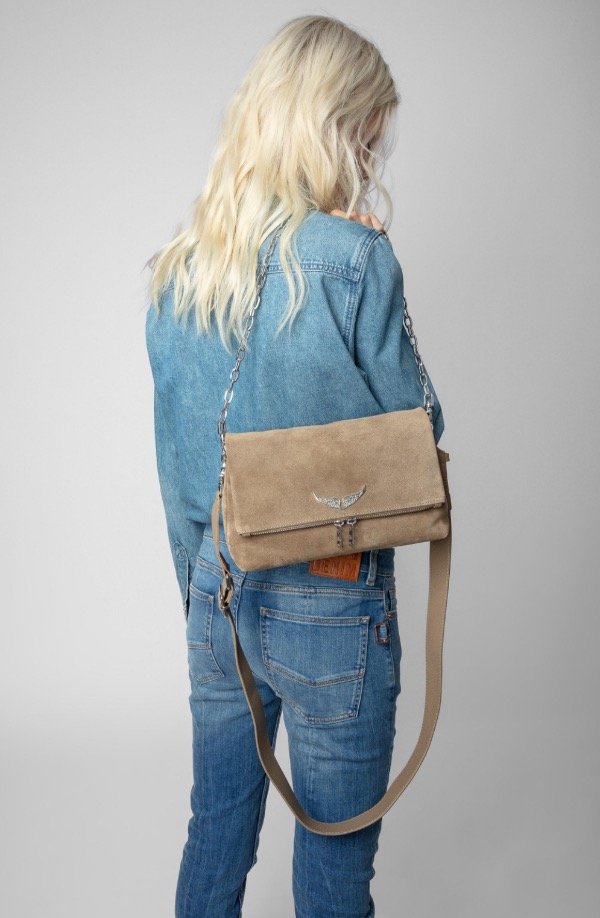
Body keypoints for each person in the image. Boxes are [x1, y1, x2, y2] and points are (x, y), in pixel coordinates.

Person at [144, 14, 445, 918]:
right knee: (336, 858)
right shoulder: (355, 259)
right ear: (337, 130)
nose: (372, 159)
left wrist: (201, 594)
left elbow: (180, 469)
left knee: (214, 830)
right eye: (369, 139)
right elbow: (419, 436)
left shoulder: (182, 270)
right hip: (333, 593)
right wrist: (369, 261)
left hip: (218, 587)